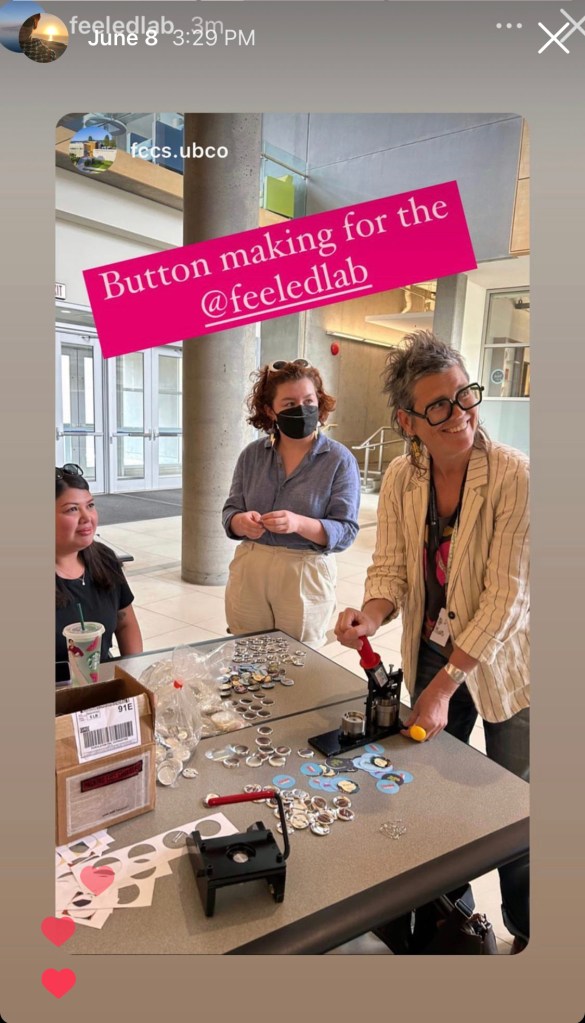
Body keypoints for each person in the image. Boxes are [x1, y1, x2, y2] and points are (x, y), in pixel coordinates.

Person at [335, 330, 530, 953]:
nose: (459, 414)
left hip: (505, 663)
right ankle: (454, 915)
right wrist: (370, 615)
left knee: (513, 802)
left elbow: (506, 600)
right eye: (439, 405)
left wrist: (447, 685)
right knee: (431, 786)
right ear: (408, 420)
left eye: (464, 395)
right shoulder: (401, 475)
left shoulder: (515, 477)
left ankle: (529, 928)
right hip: (432, 645)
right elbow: (391, 567)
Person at [222, 359, 361, 648]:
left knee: (300, 661)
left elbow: (346, 530)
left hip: (304, 572)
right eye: (288, 404)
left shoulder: (338, 459)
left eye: (308, 400)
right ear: (270, 410)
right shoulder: (252, 455)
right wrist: (240, 522)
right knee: (248, 656)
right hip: (252, 567)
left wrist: (299, 523)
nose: (301, 409)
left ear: (319, 402)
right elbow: (231, 511)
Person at [55, 464, 143, 669]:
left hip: (102, 684)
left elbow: (125, 623)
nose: (87, 518)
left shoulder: (104, 560)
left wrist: (134, 675)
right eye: (72, 509)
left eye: (90, 505)